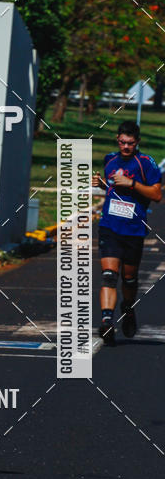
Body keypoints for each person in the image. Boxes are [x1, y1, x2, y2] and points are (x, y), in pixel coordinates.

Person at [92, 120, 162, 344]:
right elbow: (113, 187)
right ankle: (106, 322)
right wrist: (102, 184)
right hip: (109, 226)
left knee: (129, 279)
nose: (125, 147)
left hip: (133, 230)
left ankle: (128, 308)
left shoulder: (146, 163)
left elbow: (157, 195)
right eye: (122, 142)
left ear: (137, 142)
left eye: (130, 143)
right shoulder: (110, 160)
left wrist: (132, 184)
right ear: (117, 140)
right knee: (109, 275)